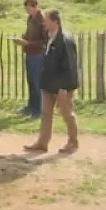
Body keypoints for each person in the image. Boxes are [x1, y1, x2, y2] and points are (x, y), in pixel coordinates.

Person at [24, 9, 80, 153]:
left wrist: (64, 87)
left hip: (61, 86)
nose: (44, 23)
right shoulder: (49, 37)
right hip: (48, 83)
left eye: (47, 20)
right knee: (46, 114)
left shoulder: (65, 39)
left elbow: (69, 65)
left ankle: (73, 142)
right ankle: (42, 142)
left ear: (55, 21)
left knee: (67, 113)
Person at [12, 0, 47, 119]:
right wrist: (23, 38)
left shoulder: (42, 20)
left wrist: (27, 43)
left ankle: (39, 110)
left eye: (29, 9)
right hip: (30, 53)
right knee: (31, 81)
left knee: (37, 82)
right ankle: (31, 106)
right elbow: (30, 33)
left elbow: (44, 42)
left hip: (38, 54)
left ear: (35, 7)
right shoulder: (30, 18)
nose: (27, 11)